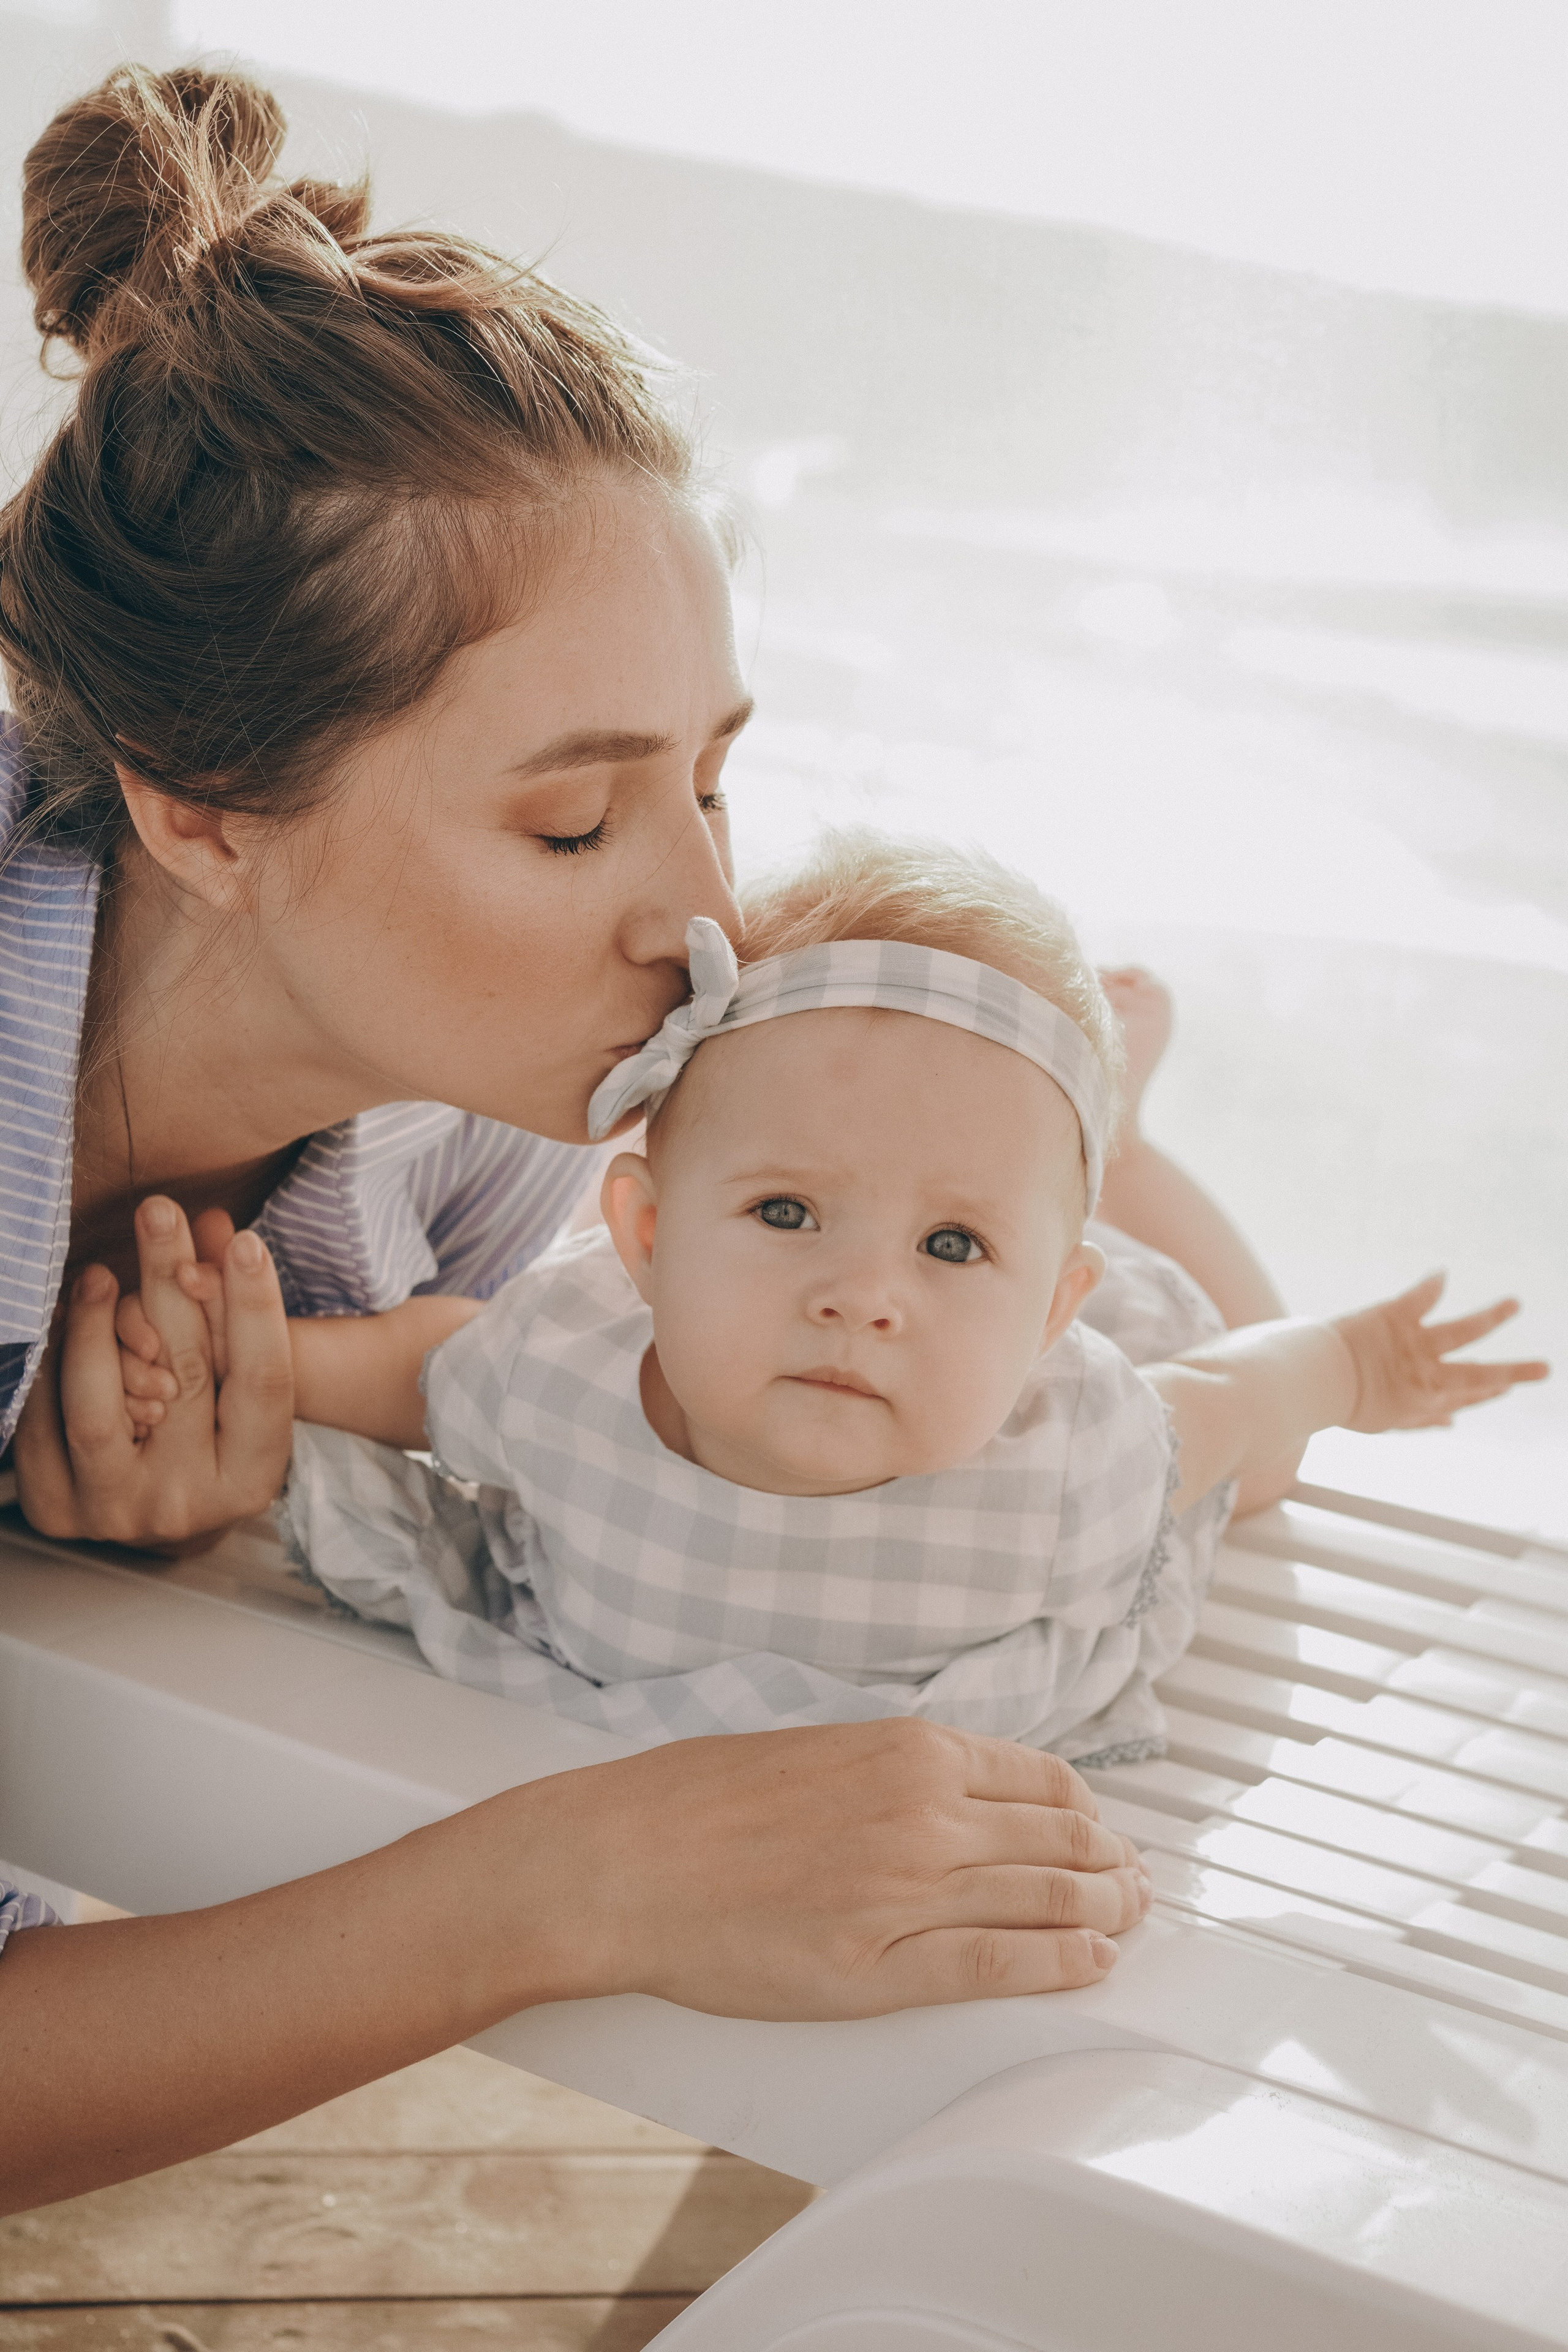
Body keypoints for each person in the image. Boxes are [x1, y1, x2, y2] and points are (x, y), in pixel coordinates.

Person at [0, 62, 1167, 2218]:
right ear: (196, 810)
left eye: (710, 784)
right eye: (571, 817)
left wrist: (171, 1540)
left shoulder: (489, 1121)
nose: (707, 915)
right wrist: (569, 1885)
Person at [239, 832, 1544, 1758]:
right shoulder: (564, 1362)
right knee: (949, 1193)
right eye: (787, 1214)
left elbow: (1239, 1399)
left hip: (1089, 1427)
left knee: (1251, 1476)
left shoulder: (1066, 1454)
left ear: (1048, 1319)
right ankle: (1048, 1173)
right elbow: (421, 1374)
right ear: (636, 1236)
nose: (861, 1299)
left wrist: (1354, 1367)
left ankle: (1117, 1150)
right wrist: (262, 1366)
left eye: (949, 1246)